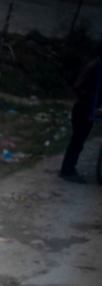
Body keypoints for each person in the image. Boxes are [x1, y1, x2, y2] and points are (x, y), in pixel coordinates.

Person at [58, 48, 101, 184]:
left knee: (79, 141)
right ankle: (67, 171)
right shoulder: (94, 65)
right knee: (77, 140)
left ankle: (68, 169)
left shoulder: (98, 65)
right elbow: (77, 86)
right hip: (83, 108)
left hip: (88, 108)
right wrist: (89, 100)